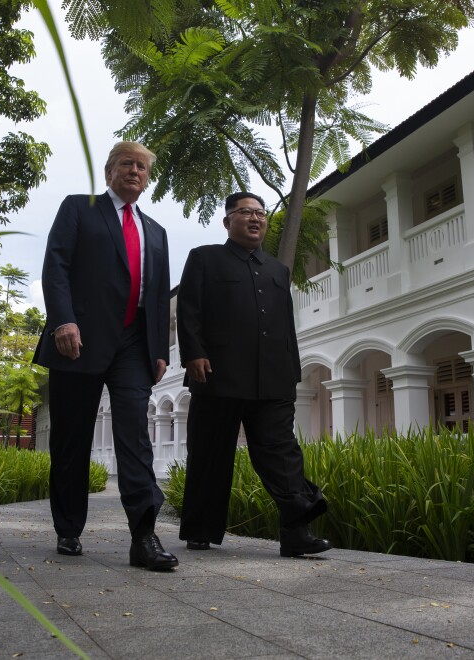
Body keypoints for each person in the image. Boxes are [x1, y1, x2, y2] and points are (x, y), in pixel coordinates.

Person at [33, 141, 178, 570]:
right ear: (109, 171)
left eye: (142, 168)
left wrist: (158, 349)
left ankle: (144, 537)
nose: (135, 172)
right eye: (127, 165)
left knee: (135, 434)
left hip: (133, 345)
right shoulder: (80, 208)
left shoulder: (156, 231)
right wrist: (63, 321)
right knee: (72, 437)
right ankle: (69, 528)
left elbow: (155, 293)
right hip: (78, 338)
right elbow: (55, 265)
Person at [176, 192, 331, 557]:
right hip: (217, 375)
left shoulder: (277, 270)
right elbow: (189, 309)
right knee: (210, 454)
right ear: (228, 221)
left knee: (282, 453)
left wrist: (292, 371)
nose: (255, 219)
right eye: (246, 212)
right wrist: (193, 354)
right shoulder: (204, 258)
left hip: (273, 379)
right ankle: (201, 530)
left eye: (260, 213)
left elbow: (286, 326)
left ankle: (296, 534)